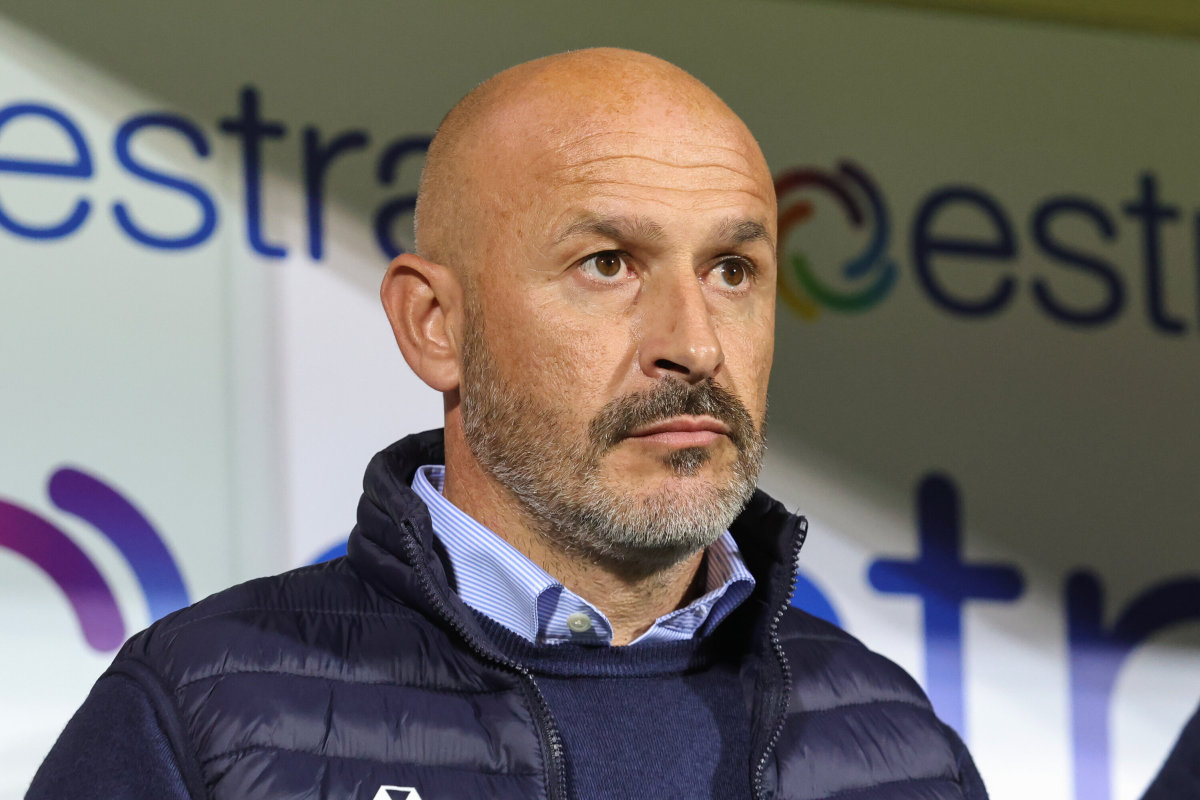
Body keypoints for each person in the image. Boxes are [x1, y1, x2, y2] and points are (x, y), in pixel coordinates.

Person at [28, 49, 987, 799]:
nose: (694, 345)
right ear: (434, 326)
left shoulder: (899, 747)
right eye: (608, 263)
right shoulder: (202, 715)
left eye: (731, 271)